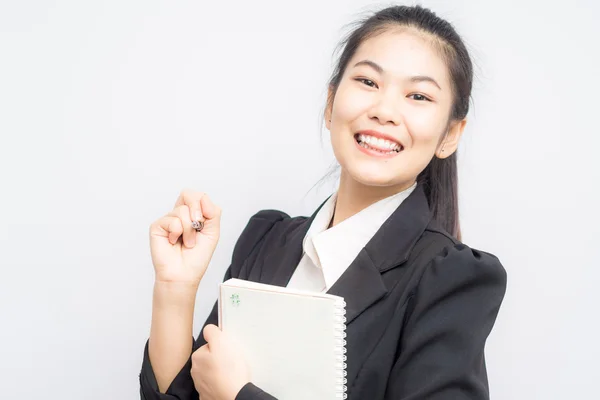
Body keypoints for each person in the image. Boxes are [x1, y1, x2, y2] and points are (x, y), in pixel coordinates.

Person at [139, 4, 507, 400]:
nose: (384, 111)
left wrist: (239, 395)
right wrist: (175, 288)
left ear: (450, 134)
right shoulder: (267, 240)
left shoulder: (449, 278)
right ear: (331, 104)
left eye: (418, 95)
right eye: (367, 81)